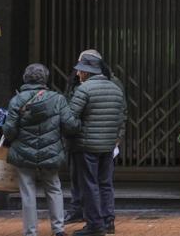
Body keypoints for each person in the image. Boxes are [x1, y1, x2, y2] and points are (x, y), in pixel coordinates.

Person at [3, 63, 79, 236]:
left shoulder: (17, 100)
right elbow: (70, 125)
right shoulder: (57, 99)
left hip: (23, 152)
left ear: (25, 78)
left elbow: (9, 131)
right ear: (45, 79)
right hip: (50, 151)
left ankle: (30, 232)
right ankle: (58, 229)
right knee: (54, 188)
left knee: (27, 192)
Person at [64, 50, 124, 229]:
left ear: (86, 72)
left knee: (89, 184)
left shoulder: (84, 89)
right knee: (105, 184)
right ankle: (108, 221)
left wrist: (73, 133)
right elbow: (120, 117)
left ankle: (94, 224)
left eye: (80, 70)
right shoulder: (115, 88)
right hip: (107, 145)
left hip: (86, 145)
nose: (77, 73)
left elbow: (69, 119)